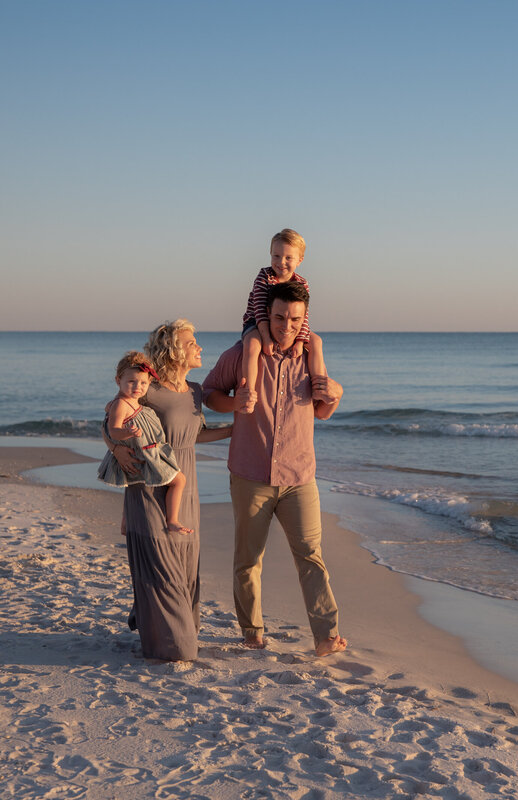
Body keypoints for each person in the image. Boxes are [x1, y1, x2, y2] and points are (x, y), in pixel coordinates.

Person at [203, 280, 348, 656]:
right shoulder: (241, 354)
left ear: (304, 321)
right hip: (250, 475)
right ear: (268, 315)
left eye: (294, 319)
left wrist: (335, 396)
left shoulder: (310, 359)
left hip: (299, 477)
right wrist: (236, 405)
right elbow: (209, 393)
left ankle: (326, 637)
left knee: (311, 556)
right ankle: (252, 631)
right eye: (280, 316)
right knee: (248, 559)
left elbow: (322, 411)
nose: (286, 325)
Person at [106, 320, 232, 662]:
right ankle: (170, 645)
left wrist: (234, 430)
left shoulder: (195, 391)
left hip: (184, 484)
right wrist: (116, 449)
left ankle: (173, 634)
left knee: (184, 566)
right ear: (174, 350)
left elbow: (192, 438)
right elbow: (113, 419)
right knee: (162, 567)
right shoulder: (148, 389)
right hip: (149, 487)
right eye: (192, 342)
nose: (199, 348)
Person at [98, 351, 192, 534]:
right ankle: (172, 520)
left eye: (143, 383)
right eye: (131, 382)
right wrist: (126, 433)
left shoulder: (131, 402)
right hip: (143, 455)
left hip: (143, 450)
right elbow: (113, 430)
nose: (137, 387)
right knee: (179, 480)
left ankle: (125, 522)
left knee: (131, 487)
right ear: (118, 381)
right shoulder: (121, 404)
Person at [238, 228, 327, 414]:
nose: (281, 262)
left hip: (290, 324)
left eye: (288, 258)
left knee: (316, 342)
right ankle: (249, 392)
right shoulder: (264, 277)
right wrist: (266, 338)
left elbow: (304, 316)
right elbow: (260, 310)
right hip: (256, 321)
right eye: (276, 256)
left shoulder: (301, 283)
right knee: (253, 345)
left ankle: (319, 388)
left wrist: (301, 341)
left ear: (299, 260)